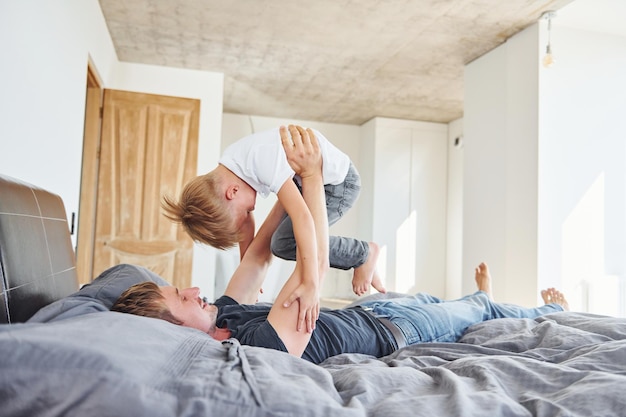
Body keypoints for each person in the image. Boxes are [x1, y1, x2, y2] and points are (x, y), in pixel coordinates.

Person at [112, 126, 570, 364]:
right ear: (173, 330)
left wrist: (282, 179)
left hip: (375, 310)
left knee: (441, 300)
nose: (192, 289)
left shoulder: (226, 314)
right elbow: (310, 262)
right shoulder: (256, 346)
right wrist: (308, 177)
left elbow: (258, 253)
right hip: (393, 330)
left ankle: (485, 296)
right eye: (180, 298)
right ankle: (549, 312)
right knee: (474, 311)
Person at [162, 125, 385, 299]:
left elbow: (304, 219)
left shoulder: (263, 162)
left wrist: (310, 281)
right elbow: (246, 225)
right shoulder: (233, 164)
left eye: (246, 211)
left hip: (338, 185)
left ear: (232, 192)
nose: (252, 210)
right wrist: (246, 265)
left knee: (284, 243)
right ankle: (363, 257)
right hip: (308, 179)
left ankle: (364, 253)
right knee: (281, 242)